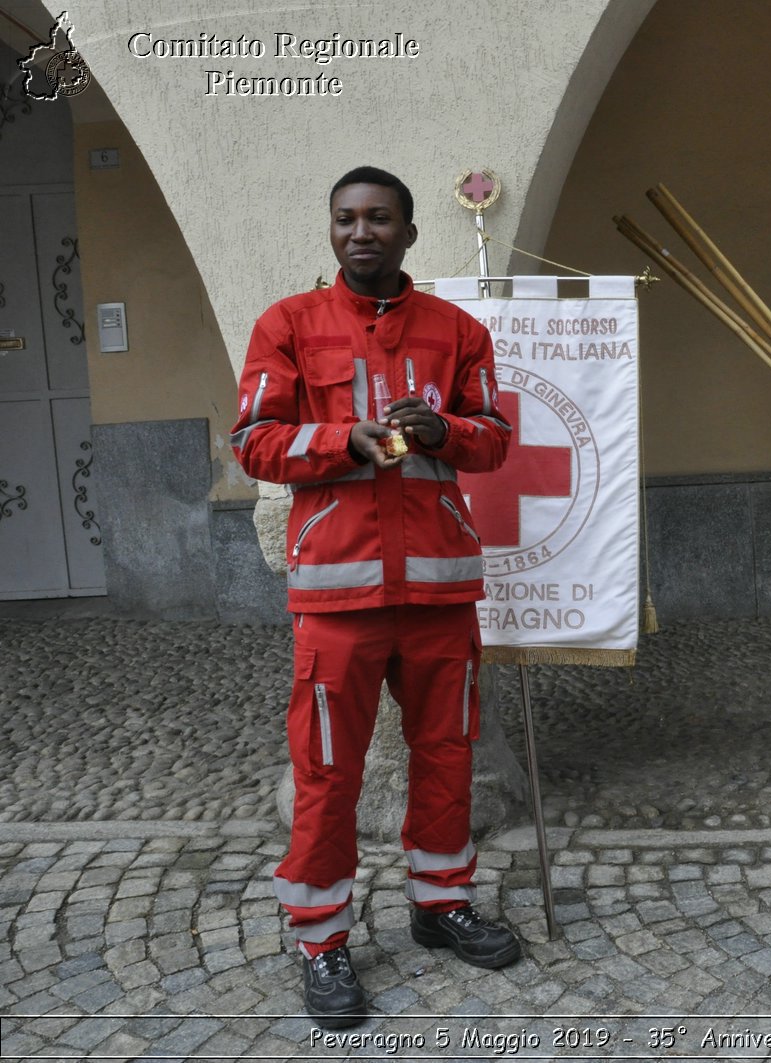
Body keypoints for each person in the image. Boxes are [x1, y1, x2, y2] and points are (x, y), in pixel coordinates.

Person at [231, 166, 518, 1028]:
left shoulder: (457, 329)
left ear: (409, 232)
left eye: (380, 218)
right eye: (348, 219)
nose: (363, 231)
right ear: (331, 232)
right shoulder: (287, 324)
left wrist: (446, 431)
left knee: (447, 754)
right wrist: (340, 440)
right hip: (338, 596)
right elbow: (253, 440)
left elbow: (497, 438)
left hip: (438, 588)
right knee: (327, 772)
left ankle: (441, 902)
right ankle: (321, 941)